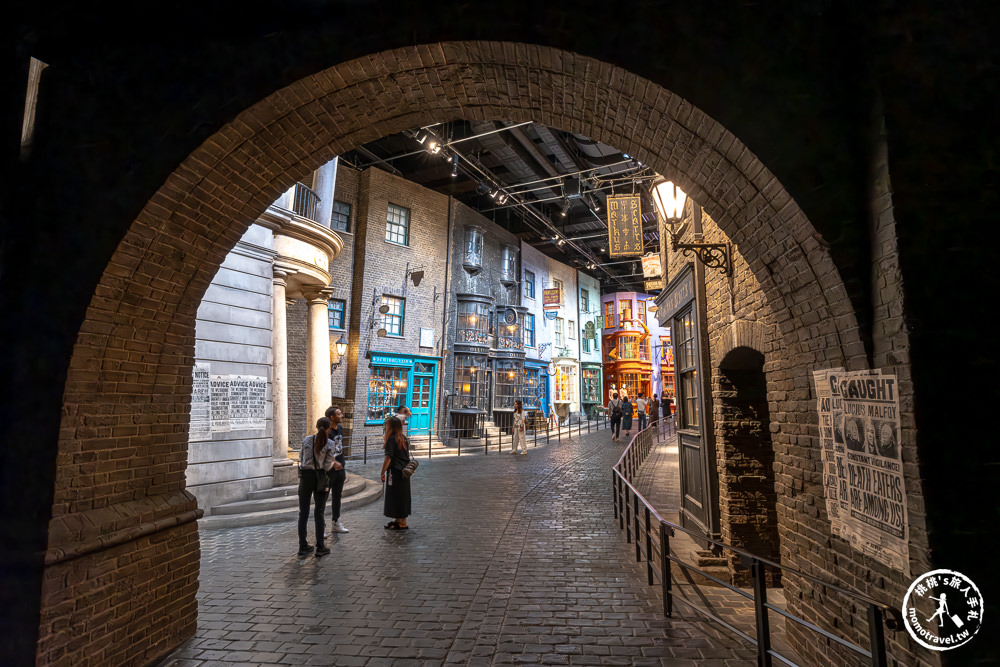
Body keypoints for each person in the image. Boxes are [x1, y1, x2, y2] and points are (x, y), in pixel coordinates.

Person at [298, 417, 334, 557]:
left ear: (316, 426)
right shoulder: (329, 443)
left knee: (303, 512)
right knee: (319, 512)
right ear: (329, 428)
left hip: (306, 476)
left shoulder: (307, 440)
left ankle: (303, 546)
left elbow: (302, 457)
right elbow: (326, 465)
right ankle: (320, 546)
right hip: (320, 477)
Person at [380, 415, 411, 530]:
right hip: (404, 472)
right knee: (401, 496)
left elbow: (388, 458)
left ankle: (403, 522)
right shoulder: (402, 438)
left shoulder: (392, 439)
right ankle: (399, 520)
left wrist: (382, 472)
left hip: (395, 472)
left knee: (396, 496)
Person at [324, 405, 349, 534]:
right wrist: (333, 463)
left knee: (337, 496)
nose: (342, 416)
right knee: (323, 497)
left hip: (341, 467)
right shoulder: (326, 432)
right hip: (329, 470)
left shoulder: (339, 428)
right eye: (339, 414)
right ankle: (321, 526)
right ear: (331, 417)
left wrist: (341, 463)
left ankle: (336, 522)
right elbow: (323, 451)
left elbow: (339, 447)